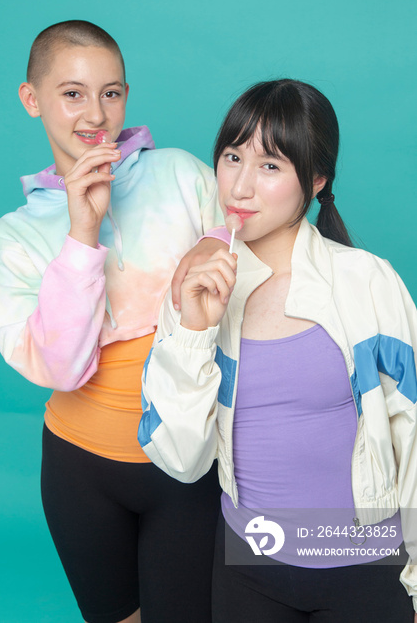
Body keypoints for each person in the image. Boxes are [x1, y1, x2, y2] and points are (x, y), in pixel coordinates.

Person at [139, 79, 417, 622]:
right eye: (232, 157)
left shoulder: (366, 282)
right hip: (251, 567)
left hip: (364, 567)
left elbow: (413, 433)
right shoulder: (193, 286)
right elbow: (180, 459)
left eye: (270, 166)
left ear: (315, 181)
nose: (240, 186)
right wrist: (195, 330)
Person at [0, 20, 226, 623]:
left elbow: (239, 310)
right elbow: (62, 368)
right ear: (31, 99)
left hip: (188, 464)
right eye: (72, 93)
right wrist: (81, 233)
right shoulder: (11, 240)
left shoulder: (182, 176)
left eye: (111, 92)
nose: (95, 113)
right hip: (79, 470)